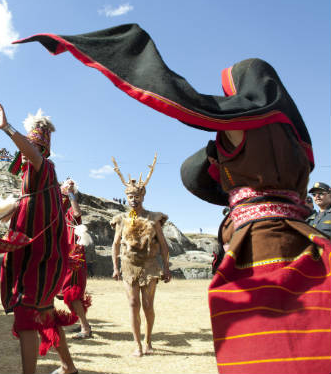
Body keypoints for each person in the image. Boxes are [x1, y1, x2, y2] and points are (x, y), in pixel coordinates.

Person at [18, 23, 331, 372]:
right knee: (315, 338)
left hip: (263, 245)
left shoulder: (243, 122)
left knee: (271, 349)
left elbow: (177, 108)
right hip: (310, 242)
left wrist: (100, 47)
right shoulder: (298, 142)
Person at [0, 104, 77, 374]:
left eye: (28, 149)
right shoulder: (34, 181)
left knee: (26, 316)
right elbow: (29, 213)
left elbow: (31, 153)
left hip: (38, 261)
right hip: (36, 260)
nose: (23, 155)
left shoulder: (42, 165)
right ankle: (68, 366)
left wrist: (7, 128)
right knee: (44, 315)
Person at [109, 155, 171, 356]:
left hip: (150, 264)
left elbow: (162, 244)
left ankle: (148, 341)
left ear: (143, 196)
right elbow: (116, 244)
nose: (133, 200)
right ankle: (137, 345)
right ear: (127, 198)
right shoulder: (121, 219)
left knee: (147, 305)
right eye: (130, 197)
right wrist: (115, 267)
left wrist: (167, 267)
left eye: (137, 196)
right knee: (133, 303)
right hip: (128, 264)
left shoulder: (154, 218)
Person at [58, 178, 92, 340]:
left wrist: (71, 193)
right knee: (64, 292)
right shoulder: (59, 211)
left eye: (71, 185)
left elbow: (77, 213)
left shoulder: (71, 211)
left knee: (71, 292)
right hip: (63, 252)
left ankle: (86, 328)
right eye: (65, 184)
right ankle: (82, 323)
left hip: (74, 253)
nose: (68, 186)